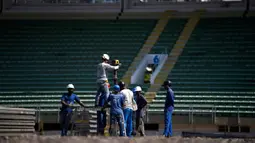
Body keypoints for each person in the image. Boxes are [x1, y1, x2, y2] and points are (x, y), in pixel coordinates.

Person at [95, 54, 120, 135]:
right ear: (106, 59)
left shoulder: (99, 65)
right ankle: (107, 102)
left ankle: (96, 103)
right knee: (107, 93)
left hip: (98, 80)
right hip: (104, 80)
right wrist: (118, 65)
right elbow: (113, 68)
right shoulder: (105, 64)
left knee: (98, 93)